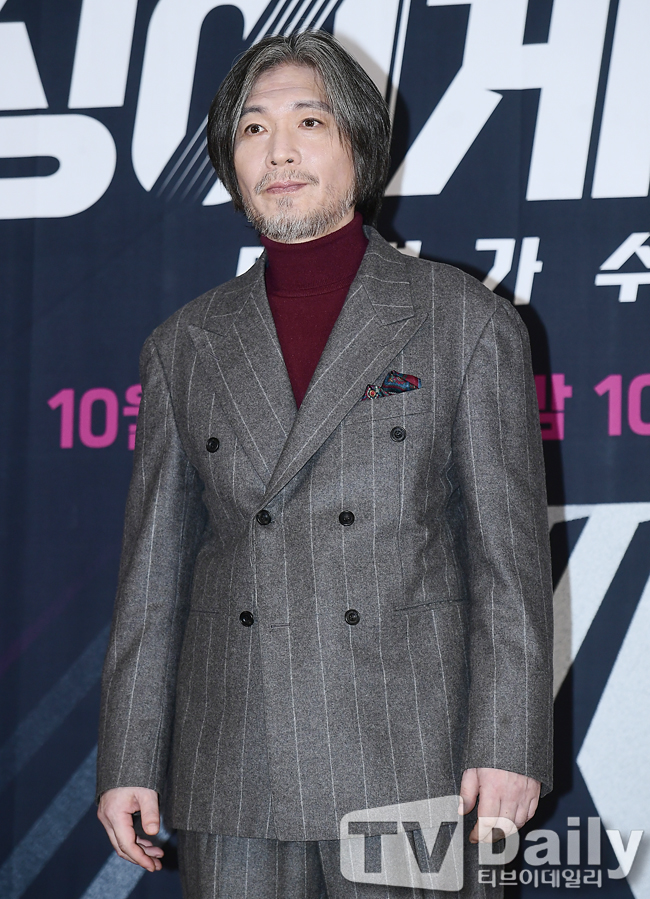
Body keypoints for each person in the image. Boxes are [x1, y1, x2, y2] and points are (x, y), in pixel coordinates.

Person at [96, 30, 553, 898]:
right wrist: (128, 754)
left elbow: (509, 563)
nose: (280, 151)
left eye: (309, 121)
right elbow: (153, 573)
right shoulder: (184, 343)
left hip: (412, 754)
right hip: (233, 760)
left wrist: (508, 741)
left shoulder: (464, 322)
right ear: (231, 165)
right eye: (253, 129)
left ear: (359, 145)